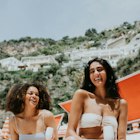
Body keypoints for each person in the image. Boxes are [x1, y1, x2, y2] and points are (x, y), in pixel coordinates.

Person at [65, 57, 128, 140]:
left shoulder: (121, 104)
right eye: (92, 71)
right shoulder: (82, 95)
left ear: (108, 72)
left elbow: (122, 138)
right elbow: (70, 131)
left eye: (99, 69)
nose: (96, 73)